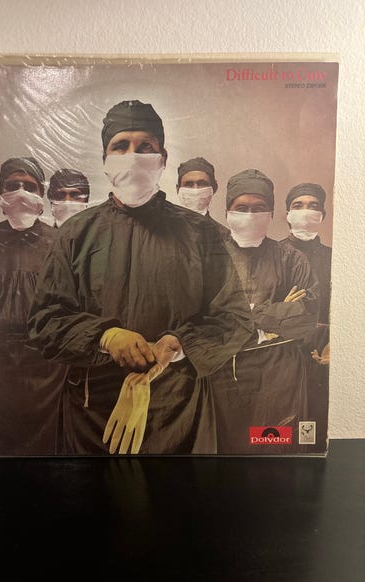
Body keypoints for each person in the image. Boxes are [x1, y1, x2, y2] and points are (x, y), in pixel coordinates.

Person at [28, 100, 254, 455]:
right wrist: (106, 336)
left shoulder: (201, 233)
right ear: (105, 160)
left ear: (163, 158)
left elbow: (235, 318)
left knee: (180, 491)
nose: (133, 157)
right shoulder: (76, 233)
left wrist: (179, 343)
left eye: (145, 147)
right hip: (94, 411)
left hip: (178, 410)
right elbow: (45, 320)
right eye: (121, 146)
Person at [0, 157, 68, 454]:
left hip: (48, 368)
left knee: (49, 449)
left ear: (41, 194)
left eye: (29, 186)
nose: (20, 192)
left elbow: (72, 304)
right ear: (1, 192)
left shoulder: (60, 243)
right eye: (12, 186)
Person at [210, 169, 320, 454]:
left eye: (258, 208)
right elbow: (200, 316)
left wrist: (245, 313)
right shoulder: (209, 259)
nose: (250, 215)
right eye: (241, 208)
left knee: (271, 455)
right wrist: (274, 316)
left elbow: (306, 315)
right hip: (221, 374)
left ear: (271, 213)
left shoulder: (292, 259)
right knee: (225, 455)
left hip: (278, 376)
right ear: (227, 211)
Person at [280, 183, 331, 447]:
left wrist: (334, 343)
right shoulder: (272, 254)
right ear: (287, 214)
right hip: (281, 351)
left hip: (322, 351)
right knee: (279, 430)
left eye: (313, 206)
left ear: (323, 214)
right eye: (298, 205)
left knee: (316, 430)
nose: (305, 211)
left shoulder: (333, 258)